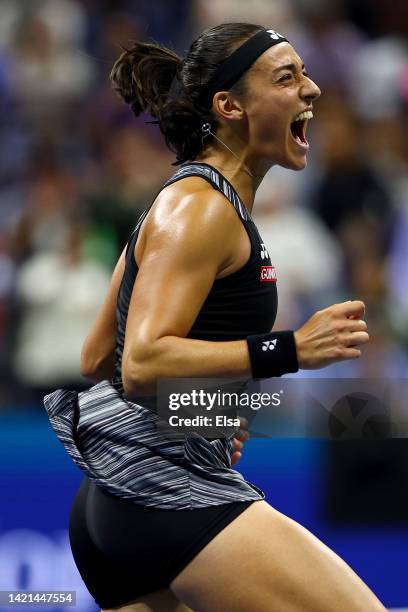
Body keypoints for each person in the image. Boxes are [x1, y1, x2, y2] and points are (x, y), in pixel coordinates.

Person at [43, 23, 386, 612]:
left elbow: (97, 359)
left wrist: (215, 407)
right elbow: (144, 359)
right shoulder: (201, 208)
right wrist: (291, 350)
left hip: (116, 503)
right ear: (230, 106)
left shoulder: (179, 201)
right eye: (288, 77)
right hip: (165, 492)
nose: (314, 90)